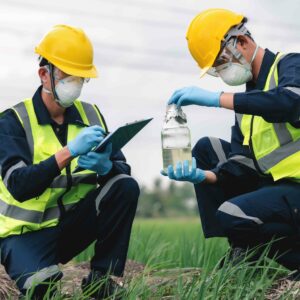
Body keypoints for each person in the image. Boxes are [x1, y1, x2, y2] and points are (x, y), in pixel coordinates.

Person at [0, 24, 140, 299]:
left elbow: (122, 171)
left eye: (81, 78)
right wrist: (69, 152)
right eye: (68, 76)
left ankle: (101, 282)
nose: (75, 83)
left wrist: (107, 167)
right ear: (44, 74)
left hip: (71, 228)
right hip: (23, 236)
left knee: (124, 185)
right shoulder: (12, 121)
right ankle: (38, 272)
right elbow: (19, 185)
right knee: (43, 287)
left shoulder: (91, 115)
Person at [162, 8, 300, 275]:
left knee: (232, 213)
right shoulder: (245, 103)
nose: (222, 72)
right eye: (216, 69)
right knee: (205, 148)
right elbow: (241, 164)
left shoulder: (290, 65)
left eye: (221, 62)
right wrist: (203, 176)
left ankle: (266, 252)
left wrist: (218, 99)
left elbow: (291, 101)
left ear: (243, 43)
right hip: (277, 190)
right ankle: (242, 249)